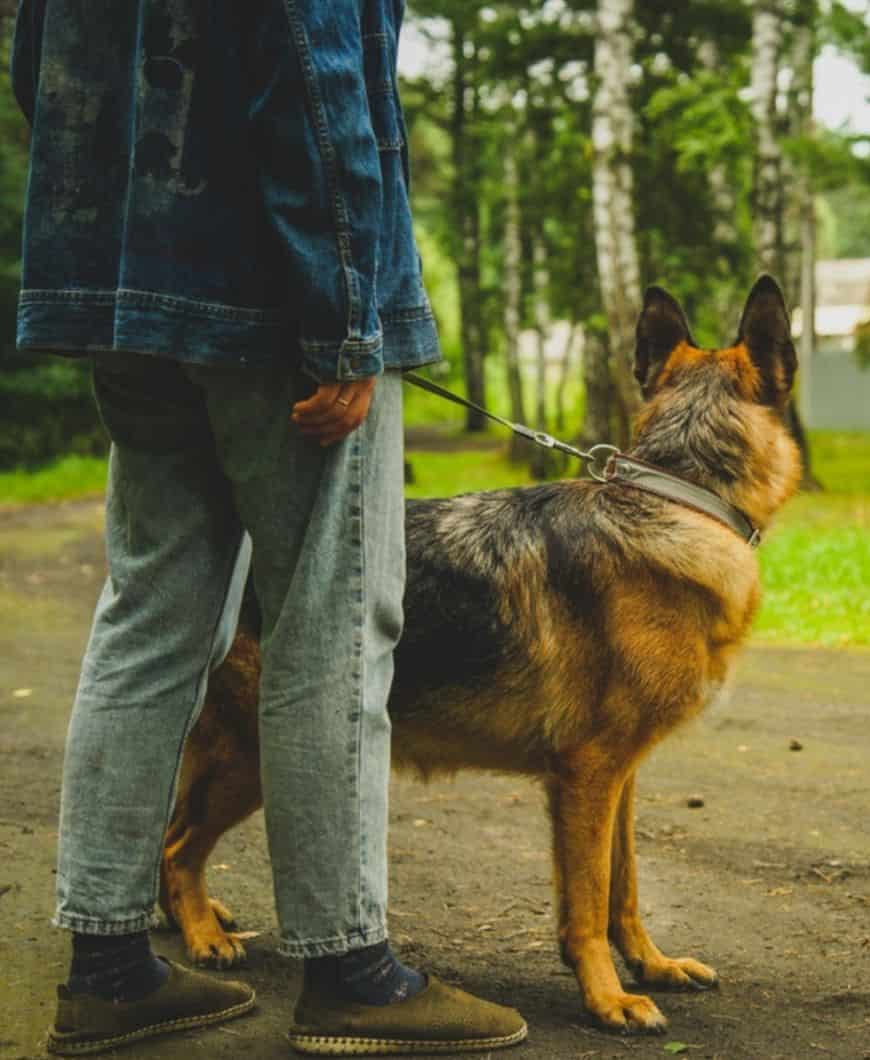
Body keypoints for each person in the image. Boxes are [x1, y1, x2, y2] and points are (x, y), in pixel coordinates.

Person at [10, 1, 527, 1054]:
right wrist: (343, 318)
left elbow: (38, 73)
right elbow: (318, 82)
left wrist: (116, 239)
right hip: (271, 305)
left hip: (127, 287)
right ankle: (351, 973)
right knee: (333, 620)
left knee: (149, 612)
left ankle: (107, 969)